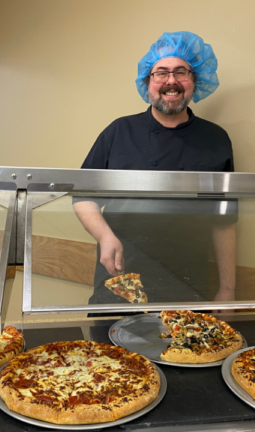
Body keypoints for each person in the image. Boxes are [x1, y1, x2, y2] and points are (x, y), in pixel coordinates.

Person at [73, 31, 237, 313]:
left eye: (181, 72)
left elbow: (224, 221)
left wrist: (228, 288)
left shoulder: (216, 139)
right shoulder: (118, 132)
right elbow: (81, 196)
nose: (171, 81)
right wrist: (104, 237)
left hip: (185, 281)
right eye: (161, 73)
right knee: (109, 356)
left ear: (195, 80)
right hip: (119, 275)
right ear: (147, 82)